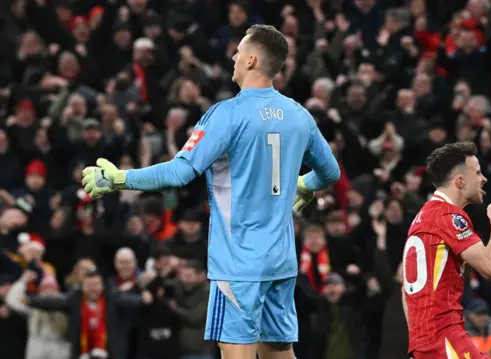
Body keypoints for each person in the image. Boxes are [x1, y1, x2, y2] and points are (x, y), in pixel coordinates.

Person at [80, 24, 340, 359]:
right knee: (279, 353)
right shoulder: (298, 115)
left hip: (239, 262)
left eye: (239, 50)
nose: (233, 55)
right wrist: (306, 184)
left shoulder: (227, 114)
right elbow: (330, 171)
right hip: (281, 260)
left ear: (250, 60)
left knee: (236, 352)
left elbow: (178, 172)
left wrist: (119, 178)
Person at [401, 142, 491, 359]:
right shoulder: (449, 217)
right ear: (460, 182)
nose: (483, 178)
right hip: (444, 338)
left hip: (424, 343)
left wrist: (421, 340)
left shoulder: (421, 218)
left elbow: (407, 291)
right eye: (477, 172)